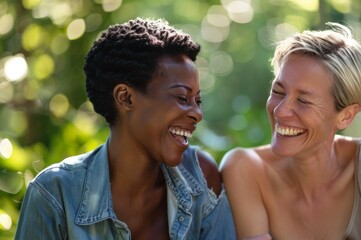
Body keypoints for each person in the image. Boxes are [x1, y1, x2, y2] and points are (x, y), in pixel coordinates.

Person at [15, 17, 235, 239]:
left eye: (197, 100)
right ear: (126, 98)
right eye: (181, 97)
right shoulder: (54, 194)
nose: (197, 114)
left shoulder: (201, 177)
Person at [220, 23, 361, 240]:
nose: (280, 111)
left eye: (303, 101)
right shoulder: (245, 169)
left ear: (345, 115)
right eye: (278, 91)